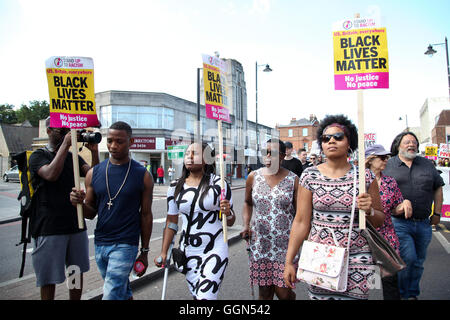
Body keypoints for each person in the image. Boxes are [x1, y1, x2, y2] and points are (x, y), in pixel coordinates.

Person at [284, 114, 385, 300]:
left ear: (349, 142)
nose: (331, 140)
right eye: (325, 138)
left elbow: (379, 220)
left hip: (356, 259)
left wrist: (369, 210)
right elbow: (300, 221)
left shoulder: (365, 177)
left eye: (338, 137)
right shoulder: (309, 176)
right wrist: (289, 261)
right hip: (319, 259)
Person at [70, 121, 154, 300]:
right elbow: (90, 212)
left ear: (131, 142)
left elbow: (146, 215)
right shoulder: (94, 173)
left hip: (126, 243)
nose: (113, 146)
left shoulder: (143, 175)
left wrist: (145, 251)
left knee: (111, 293)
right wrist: (78, 203)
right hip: (101, 243)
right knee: (120, 291)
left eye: (119, 141)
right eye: (109, 141)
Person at [28, 117, 99, 300]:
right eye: (61, 131)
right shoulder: (38, 156)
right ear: (49, 131)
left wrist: (95, 152)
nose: (66, 134)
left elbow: (95, 176)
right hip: (49, 226)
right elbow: (51, 174)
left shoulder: (72, 157)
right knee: (48, 278)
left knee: (75, 272)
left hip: (74, 224)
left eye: (68, 131)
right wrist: (66, 145)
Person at [155, 142, 234, 300]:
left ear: (206, 159)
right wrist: (164, 252)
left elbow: (230, 221)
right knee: (197, 296)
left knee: (205, 297)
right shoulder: (175, 186)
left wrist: (228, 213)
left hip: (214, 248)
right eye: (187, 153)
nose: (189, 157)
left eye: (195, 153)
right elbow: (171, 222)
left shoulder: (219, 184)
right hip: (188, 251)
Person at [383, 131, 444, 300]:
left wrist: (437, 213)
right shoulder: (389, 165)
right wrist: (393, 209)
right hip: (399, 223)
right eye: (407, 142)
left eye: (414, 142)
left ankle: (412, 294)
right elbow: (380, 190)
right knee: (408, 259)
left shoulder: (427, 164)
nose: (411, 144)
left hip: (424, 223)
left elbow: (438, 188)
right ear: (398, 145)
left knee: (418, 263)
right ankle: (403, 294)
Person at [241, 139, 299, 300]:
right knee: (265, 292)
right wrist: (246, 225)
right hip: (261, 244)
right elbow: (247, 203)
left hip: (285, 246)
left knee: (284, 293)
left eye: (271, 152)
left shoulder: (293, 180)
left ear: (282, 155)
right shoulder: (253, 177)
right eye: (265, 152)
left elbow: (300, 215)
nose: (267, 155)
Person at [365, 144, 413, 300]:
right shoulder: (358, 181)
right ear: (371, 160)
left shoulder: (390, 182)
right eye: (382, 157)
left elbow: (395, 208)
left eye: (387, 157)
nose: (386, 160)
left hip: (386, 235)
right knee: (360, 279)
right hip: (362, 235)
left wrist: (404, 204)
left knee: (390, 278)